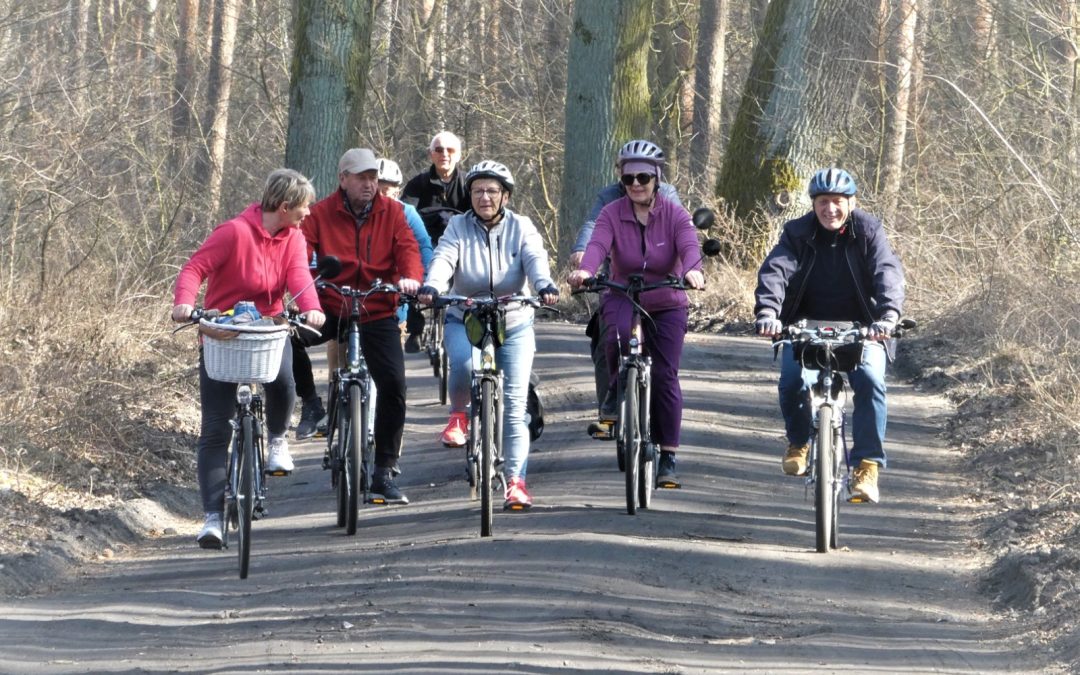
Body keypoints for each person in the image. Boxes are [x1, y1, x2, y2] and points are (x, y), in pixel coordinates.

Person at [171, 168, 327, 549]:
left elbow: (298, 277)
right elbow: (194, 268)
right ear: (285, 206)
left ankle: (277, 440)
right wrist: (184, 304)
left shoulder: (294, 239)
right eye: (304, 207)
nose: (308, 213)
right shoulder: (234, 233)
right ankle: (212, 519)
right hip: (222, 332)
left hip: (268, 329)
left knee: (285, 381)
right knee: (215, 429)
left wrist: (312, 309)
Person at [753, 167, 905, 504]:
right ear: (813, 204)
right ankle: (799, 442)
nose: (830, 209)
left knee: (870, 380)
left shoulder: (868, 231)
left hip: (863, 326)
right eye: (823, 201)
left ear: (851, 203)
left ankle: (867, 465)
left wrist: (888, 316)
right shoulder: (797, 232)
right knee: (792, 380)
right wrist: (768, 313)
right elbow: (775, 271)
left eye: (837, 201)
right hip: (804, 325)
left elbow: (887, 272)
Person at [417, 161, 558, 510]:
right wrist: (433, 285)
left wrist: (544, 285)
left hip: (513, 320)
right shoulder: (458, 227)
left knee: (514, 406)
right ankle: (459, 415)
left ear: (505, 196)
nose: (484, 197)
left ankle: (516, 482)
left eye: (492, 191)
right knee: (464, 366)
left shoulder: (522, 227)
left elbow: (535, 259)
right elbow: (444, 258)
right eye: (478, 190)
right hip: (466, 316)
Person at [290, 148, 423, 504]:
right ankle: (311, 404)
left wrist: (411, 277)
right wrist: (304, 292)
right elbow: (299, 254)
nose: (369, 184)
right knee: (288, 338)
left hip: (376, 308)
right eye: (361, 177)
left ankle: (384, 471)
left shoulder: (393, 212)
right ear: (343, 179)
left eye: (373, 178)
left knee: (394, 385)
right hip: (331, 305)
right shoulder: (320, 213)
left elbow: (408, 250)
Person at [567, 149, 705, 490]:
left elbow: (689, 247)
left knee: (665, 375)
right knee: (613, 336)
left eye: (643, 177)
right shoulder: (612, 212)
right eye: (629, 178)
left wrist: (693, 271)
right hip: (623, 293)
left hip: (667, 299)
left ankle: (668, 456)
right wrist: (586, 270)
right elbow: (598, 245)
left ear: (656, 179)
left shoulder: (674, 214)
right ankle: (617, 392)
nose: (636, 184)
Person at [400, 131, 471, 353]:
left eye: (450, 150)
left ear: (459, 155)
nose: (444, 154)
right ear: (431, 154)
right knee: (411, 273)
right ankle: (415, 329)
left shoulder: (469, 183)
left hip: (459, 242)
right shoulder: (417, 183)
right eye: (439, 150)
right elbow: (405, 215)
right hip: (426, 241)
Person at [378, 157, 434, 328]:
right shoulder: (360, 213)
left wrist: (426, 280)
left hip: (396, 291)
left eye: (386, 190)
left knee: (396, 326)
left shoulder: (407, 212)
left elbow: (423, 245)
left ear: (397, 191)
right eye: (377, 189)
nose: (380, 195)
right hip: (362, 291)